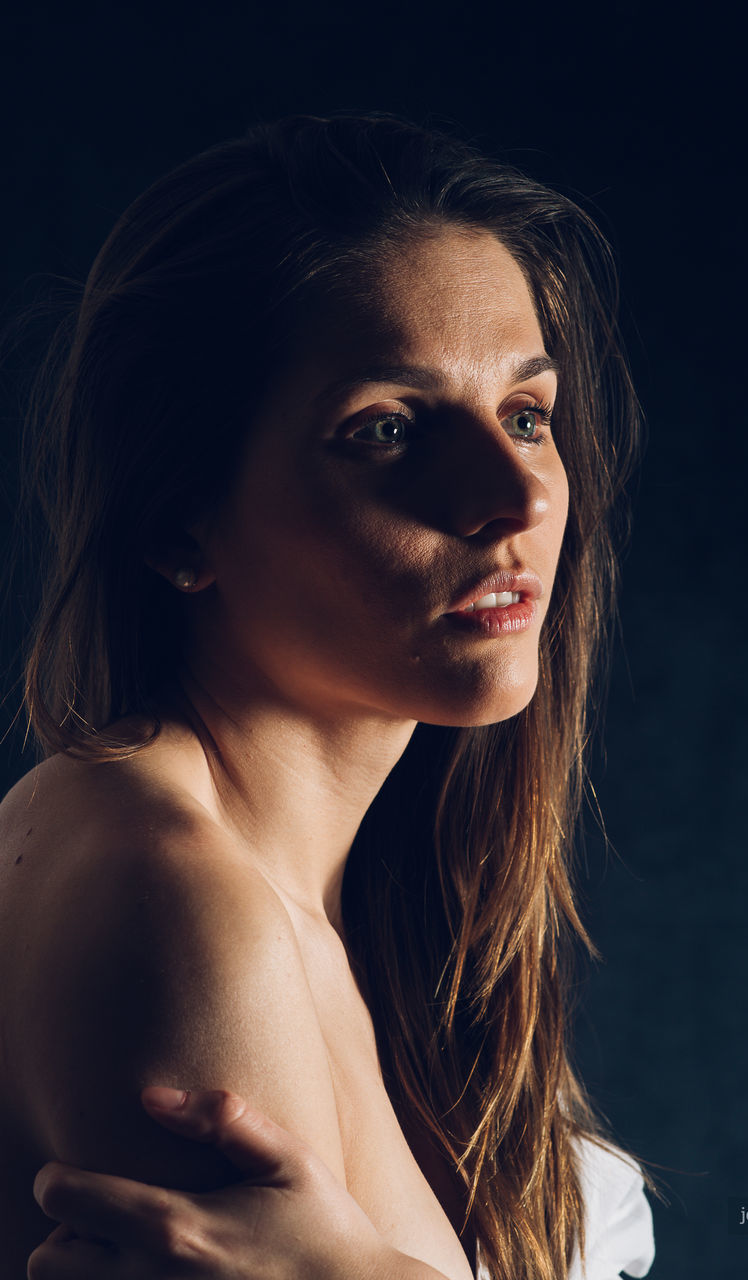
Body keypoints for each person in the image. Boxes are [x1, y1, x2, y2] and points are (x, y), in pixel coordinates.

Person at [0, 112, 655, 1280]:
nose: (514, 498)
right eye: (388, 430)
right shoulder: (181, 907)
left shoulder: (375, 901)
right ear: (175, 521)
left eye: (525, 415)